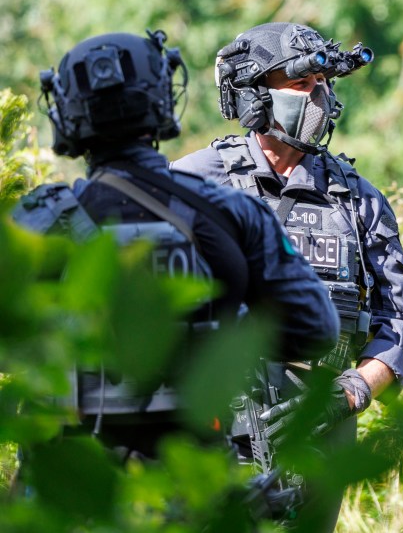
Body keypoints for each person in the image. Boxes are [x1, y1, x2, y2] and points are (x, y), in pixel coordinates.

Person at [12, 30, 340, 460]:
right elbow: (316, 330)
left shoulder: (35, 224)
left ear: (67, 116)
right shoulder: (233, 212)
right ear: (163, 103)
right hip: (193, 483)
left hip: (69, 486)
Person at [171, 21, 403, 531]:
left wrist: (350, 391)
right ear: (255, 95)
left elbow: (400, 324)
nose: (318, 98)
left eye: (323, 86)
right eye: (301, 85)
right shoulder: (194, 180)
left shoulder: (359, 198)